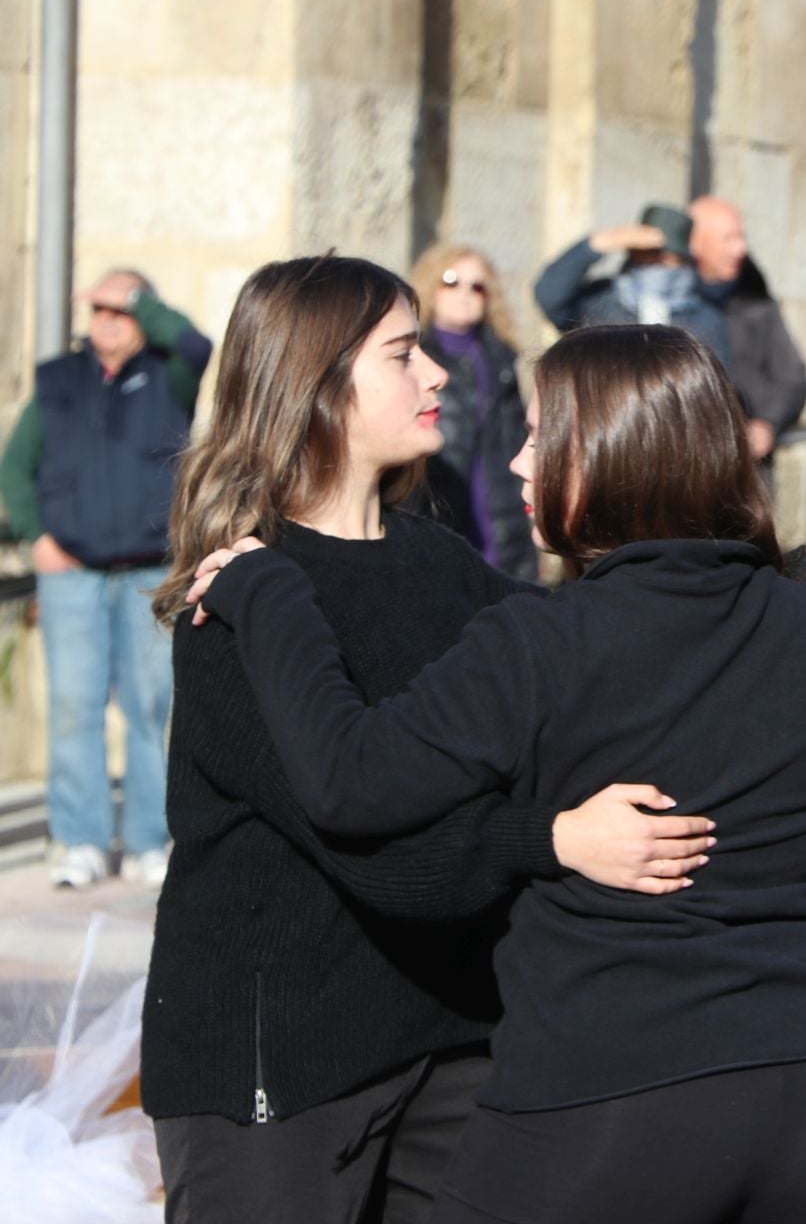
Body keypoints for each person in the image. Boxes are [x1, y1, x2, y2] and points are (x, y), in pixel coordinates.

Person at [192, 322, 806, 1224]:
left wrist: (266, 593)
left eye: (543, 439)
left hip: (615, 1088)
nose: (518, 465)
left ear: (610, 459)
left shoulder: (543, 643)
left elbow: (350, 779)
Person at [142, 255, 734, 1219]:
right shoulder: (243, 600)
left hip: (452, 1046)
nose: (439, 376)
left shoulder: (439, 564)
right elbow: (380, 858)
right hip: (282, 1078)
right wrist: (558, 842)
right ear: (317, 385)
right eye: (404, 355)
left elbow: (601, 660)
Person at [0, 268, 211, 889]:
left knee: (149, 707)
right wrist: (38, 535)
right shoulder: (59, 380)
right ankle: (81, 839)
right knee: (74, 706)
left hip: (147, 568)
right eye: (98, 309)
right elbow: (16, 465)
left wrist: (142, 299)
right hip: (73, 573)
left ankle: (148, 839)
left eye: (120, 310)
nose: (107, 320)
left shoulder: (170, 374)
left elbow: (199, 344)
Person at [408, 243, 539, 581]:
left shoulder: (500, 356)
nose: (464, 293)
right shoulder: (416, 357)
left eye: (477, 286)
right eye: (451, 281)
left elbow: (517, 435)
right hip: (440, 506)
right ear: (431, 285)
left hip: (500, 513)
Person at [687, 195, 806, 464]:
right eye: (728, 238)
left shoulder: (755, 299)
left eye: (741, 237)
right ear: (695, 242)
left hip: (747, 466)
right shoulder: (662, 300)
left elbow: (791, 376)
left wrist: (768, 424)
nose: (740, 248)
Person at [534, 204, 729, 355]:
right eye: (646, 252)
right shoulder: (603, 301)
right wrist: (601, 243)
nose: (655, 262)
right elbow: (550, 295)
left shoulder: (704, 318)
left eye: (666, 256)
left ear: (683, 259)